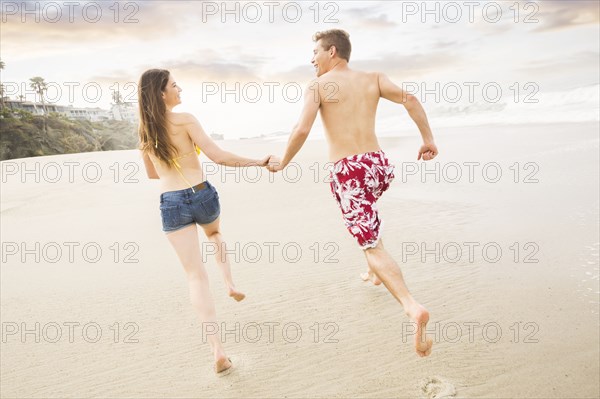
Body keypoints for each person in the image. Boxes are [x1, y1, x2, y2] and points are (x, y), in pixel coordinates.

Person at [267, 30, 437, 357]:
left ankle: (411, 306)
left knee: (369, 243)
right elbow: (410, 99)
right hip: (378, 166)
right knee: (365, 216)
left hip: (348, 171)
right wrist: (428, 139)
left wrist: (284, 161)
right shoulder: (373, 77)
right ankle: (374, 275)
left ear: (332, 52)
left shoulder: (318, 85)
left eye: (315, 52)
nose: (311, 59)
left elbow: (301, 128)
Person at [138, 69, 270, 373]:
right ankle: (229, 282)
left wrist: (171, 165)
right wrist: (258, 162)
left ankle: (217, 351)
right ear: (160, 93)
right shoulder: (185, 119)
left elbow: (151, 174)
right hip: (201, 194)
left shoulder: (145, 131)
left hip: (170, 201)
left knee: (195, 277)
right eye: (174, 85)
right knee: (215, 234)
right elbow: (219, 156)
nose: (179, 88)